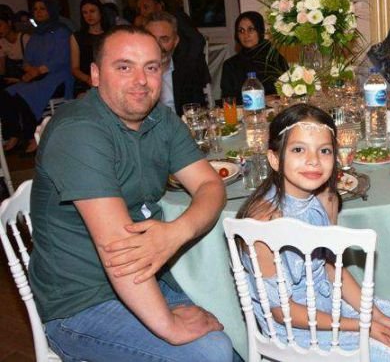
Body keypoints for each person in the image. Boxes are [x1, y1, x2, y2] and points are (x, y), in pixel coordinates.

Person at [28, 25, 238, 361]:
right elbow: (120, 252)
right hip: (80, 303)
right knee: (212, 351)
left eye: (151, 67)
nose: (141, 80)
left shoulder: (160, 119)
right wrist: (169, 326)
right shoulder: (79, 131)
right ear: (95, 74)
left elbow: (210, 185)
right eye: (124, 67)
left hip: (149, 277)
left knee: (242, 323)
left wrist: (176, 232)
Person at [237, 103, 390, 361]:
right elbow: (282, 311)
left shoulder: (325, 199)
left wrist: (375, 316)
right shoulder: (264, 223)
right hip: (297, 331)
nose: (313, 160)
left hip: (331, 304)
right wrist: (362, 326)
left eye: (324, 150)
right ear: (275, 159)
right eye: (298, 149)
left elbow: (332, 268)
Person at [0, 0, 73, 153]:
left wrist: (37, 71)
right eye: (35, 9)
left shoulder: (61, 31)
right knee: (7, 93)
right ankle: (13, 134)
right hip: (37, 78)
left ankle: (33, 137)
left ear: (50, 11)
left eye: (42, 8)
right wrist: (29, 70)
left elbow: (61, 59)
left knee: (25, 95)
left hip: (57, 77)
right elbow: (27, 59)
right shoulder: (36, 34)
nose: (38, 12)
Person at [143, 10, 211, 115]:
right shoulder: (133, 76)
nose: (157, 46)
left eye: (164, 39)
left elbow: (197, 111)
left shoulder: (188, 71)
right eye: (152, 39)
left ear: (175, 41)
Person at [221, 11, 288, 98]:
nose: (246, 35)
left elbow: (287, 92)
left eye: (251, 29)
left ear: (260, 31)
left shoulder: (275, 59)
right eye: (241, 31)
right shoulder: (230, 65)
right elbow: (228, 99)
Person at [70, 0, 112, 95]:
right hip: (85, 82)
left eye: (92, 11)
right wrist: (88, 79)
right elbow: (75, 69)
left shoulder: (111, 34)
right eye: (85, 12)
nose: (89, 15)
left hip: (109, 80)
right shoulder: (77, 37)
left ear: (100, 12)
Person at [0, 9, 29, 87]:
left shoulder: (24, 39)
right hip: (11, 81)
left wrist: (20, 80)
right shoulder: (1, 42)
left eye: (0, 25)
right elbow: (1, 69)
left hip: (28, 81)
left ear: (9, 23)